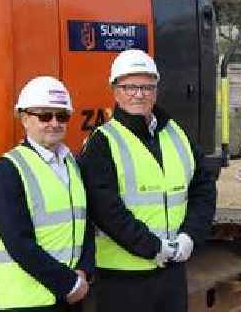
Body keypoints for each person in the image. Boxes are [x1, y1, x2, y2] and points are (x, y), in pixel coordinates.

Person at [79, 49, 217, 312]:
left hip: (171, 271)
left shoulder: (176, 134)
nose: (139, 94)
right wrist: (153, 247)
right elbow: (106, 209)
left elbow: (203, 189)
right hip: (123, 277)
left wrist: (190, 237)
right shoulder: (102, 142)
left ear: (156, 90)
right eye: (130, 86)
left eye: (147, 86)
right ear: (115, 90)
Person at [0, 76, 94, 311]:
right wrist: (69, 283)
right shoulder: (9, 168)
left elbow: (85, 223)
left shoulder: (72, 164)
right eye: (45, 115)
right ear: (25, 119)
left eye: (62, 116)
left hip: (69, 296)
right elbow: (18, 242)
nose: (54, 123)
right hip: (28, 301)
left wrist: (85, 272)